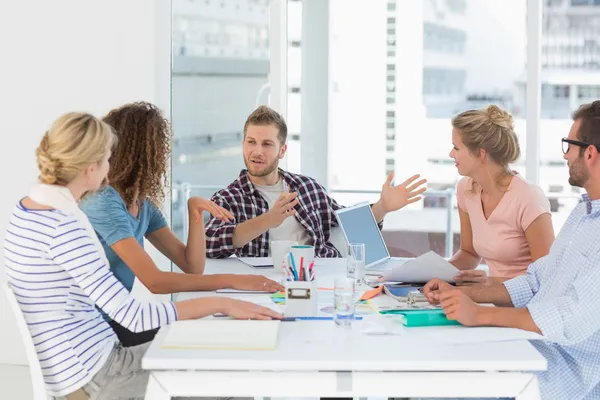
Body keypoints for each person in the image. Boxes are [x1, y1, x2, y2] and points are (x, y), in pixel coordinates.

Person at [3, 112, 281, 400]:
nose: (110, 169)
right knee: (228, 370)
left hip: (86, 365)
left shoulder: (26, 211)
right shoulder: (65, 228)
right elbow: (133, 317)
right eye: (107, 158)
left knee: (214, 348)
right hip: (98, 377)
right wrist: (221, 303)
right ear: (90, 167)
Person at [424, 100, 600, 400]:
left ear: (590, 153)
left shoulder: (531, 199)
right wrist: (463, 292)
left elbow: (565, 318)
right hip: (528, 342)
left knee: (441, 389)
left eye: (569, 145)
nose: (565, 154)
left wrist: (479, 314)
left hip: (561, 370)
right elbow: (536, 281)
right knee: (432, 365)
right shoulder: (581, 214)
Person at [78, 102, 283, 348]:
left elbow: (191, 266)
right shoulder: (104, 202)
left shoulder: (141, 203)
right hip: (93, 329)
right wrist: (231, 279)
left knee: (217, 334)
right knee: (207, 339)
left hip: (116, 319)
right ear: (138, 149)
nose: (165, 150)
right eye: (158, 142)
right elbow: (155, 282)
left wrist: (193, 209)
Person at [205, 105, 427, 259]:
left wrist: (383, 207)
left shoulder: (307, 188)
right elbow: (208, 243)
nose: (257, 151)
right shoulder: (228, 198)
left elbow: (346, 223)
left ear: (282, 150)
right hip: (260, 287)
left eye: (267, 144)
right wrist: (268, 220)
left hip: (317, 278)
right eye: (251, 142)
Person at [448, 105, 554, 286]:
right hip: (494, 299)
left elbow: (548, 279)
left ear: (481, 153)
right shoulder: (465, 190)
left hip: (529, 307)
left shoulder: (529, 198)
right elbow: (469, 253)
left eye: (456, 148)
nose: (451, 154)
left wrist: (491, 284)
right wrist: (431, 274)